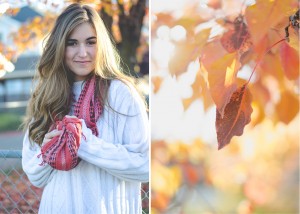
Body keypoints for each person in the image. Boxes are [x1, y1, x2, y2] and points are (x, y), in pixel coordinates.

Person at [21, 3, 149, 213]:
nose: (83, 53)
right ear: (60, 46)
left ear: (102, 45)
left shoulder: (120, 93)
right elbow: (35, 176)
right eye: (72, 43)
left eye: (91, 42)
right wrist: (48, 151)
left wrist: (83, 143)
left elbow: (145, 166)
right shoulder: (48, 97)